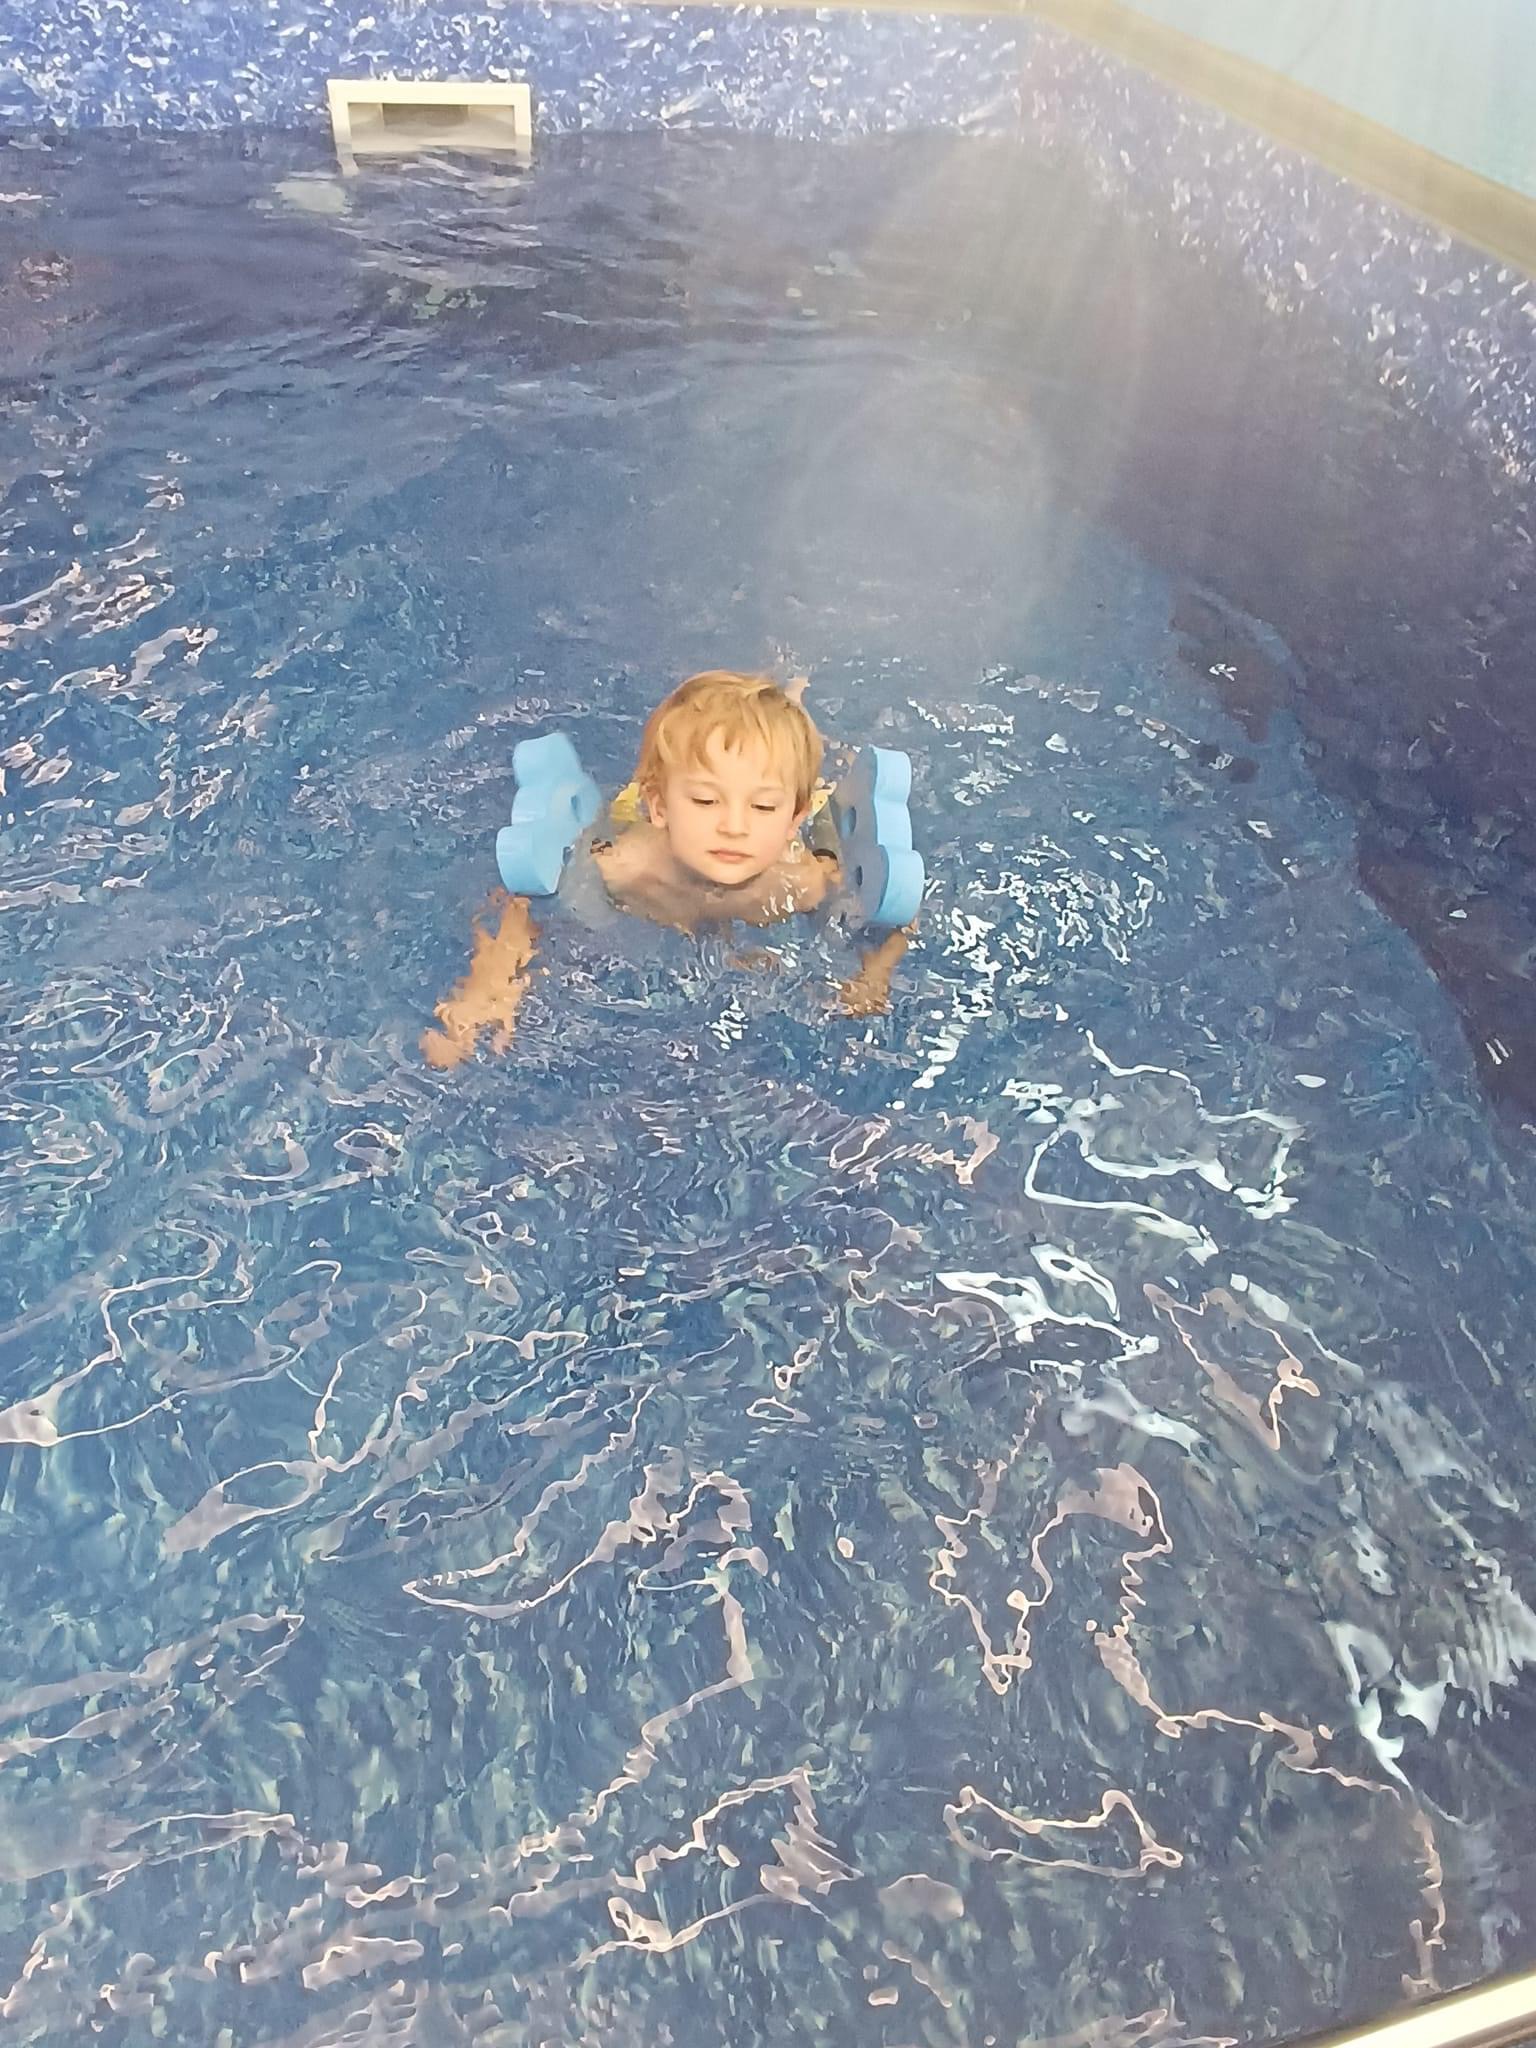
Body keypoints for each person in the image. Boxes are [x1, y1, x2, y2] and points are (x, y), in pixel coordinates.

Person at [421, 670, 911, 1069]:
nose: (734, 827)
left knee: (828, 833)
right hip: (643, 827)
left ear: (791, 822)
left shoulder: (800, 881)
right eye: (705, 801)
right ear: (661, 807)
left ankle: (796, 703)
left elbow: (889, 919)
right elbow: (523, 903)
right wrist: (487, 990)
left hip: (787, 832)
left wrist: (873, 977)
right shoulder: (624, 870)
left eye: (763, 808)